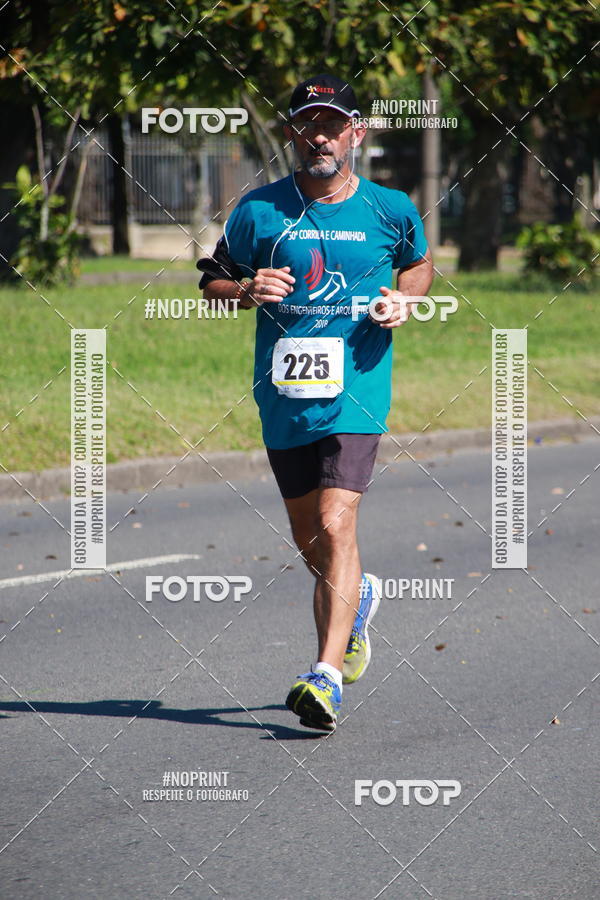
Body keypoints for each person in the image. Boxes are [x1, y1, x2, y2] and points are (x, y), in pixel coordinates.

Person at [197, 74, 433, 732]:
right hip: (284, 396)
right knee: (311, 542)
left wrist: (403, 300)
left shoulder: (389, 208)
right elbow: (210, 279)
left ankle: (325, 676)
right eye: (308, 124)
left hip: (356, 387)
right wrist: (245, 291)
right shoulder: (258, 211)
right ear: (292, 134)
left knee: (336, 525)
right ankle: (359, 600)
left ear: (357, 132)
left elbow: (418, 263)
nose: (320, 136)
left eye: (333, 124)